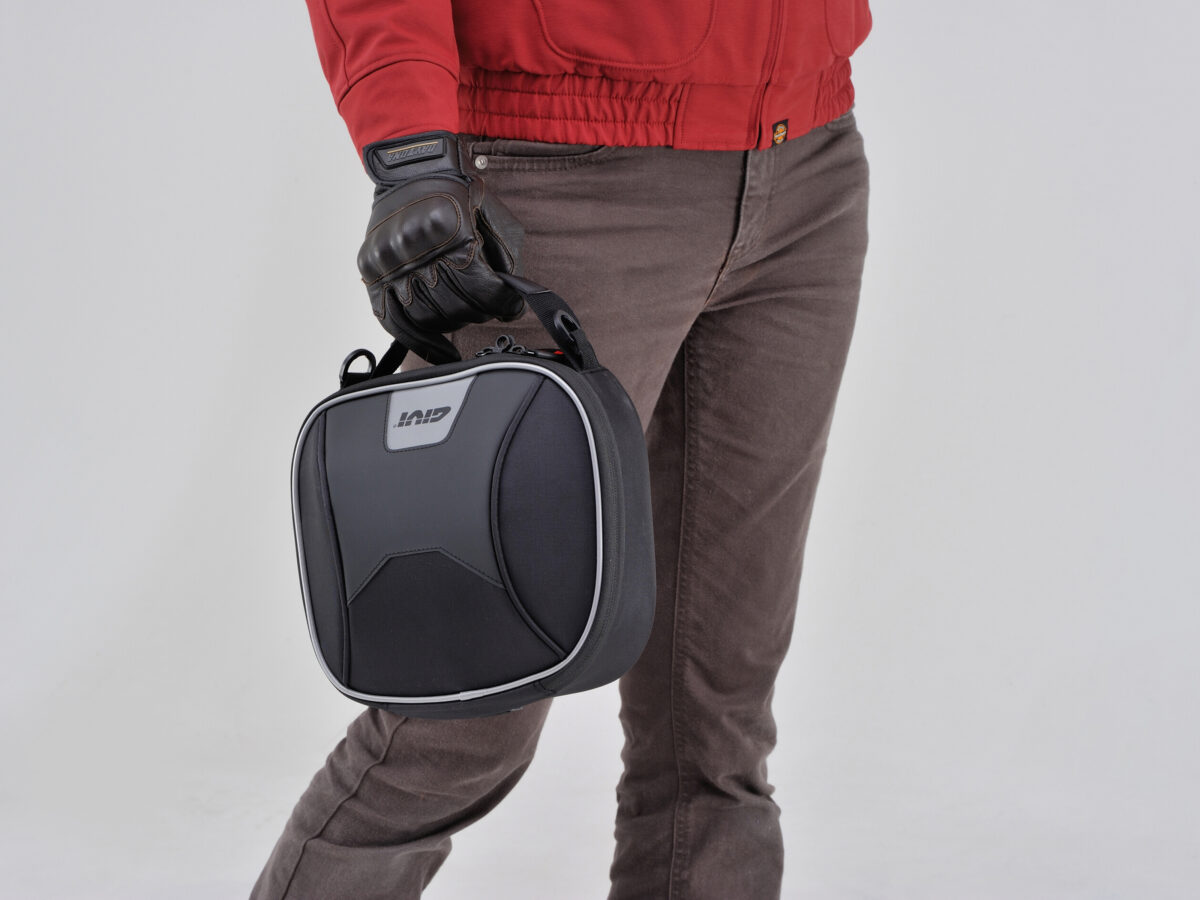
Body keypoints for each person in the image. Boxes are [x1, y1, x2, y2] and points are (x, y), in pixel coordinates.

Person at [253, 1, 873, 897]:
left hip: (807, 166)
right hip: (564, 172)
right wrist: (409, 152)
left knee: (718, 721)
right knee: (456, 721)